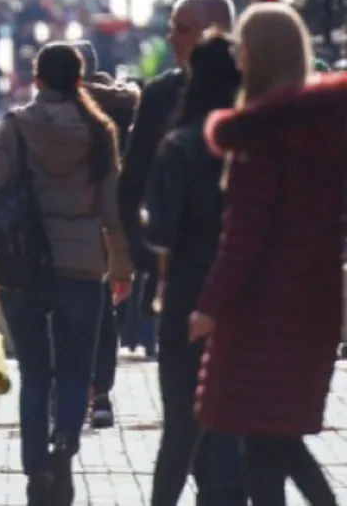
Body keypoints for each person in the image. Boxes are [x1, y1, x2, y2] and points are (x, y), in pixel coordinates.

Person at [190, 3, 344, 506]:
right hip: (313, 304)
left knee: (262, 441)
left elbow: (245, 235)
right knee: (276, 439)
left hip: (263, 310)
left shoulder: (261, 136)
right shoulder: (328, 132)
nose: (238, 60)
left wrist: (208, 306)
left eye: (243, 49)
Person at [0, 42, 134, 506]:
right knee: (73, 367)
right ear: (79, 80)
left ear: (37, 79)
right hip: (82, 262)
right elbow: (112, 208)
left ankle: (34, 468)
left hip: (23, 262)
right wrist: (121, 267)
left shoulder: (16, 127)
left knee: (34, 372)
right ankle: (65, 439)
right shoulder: (98, 129)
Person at [142, 33, 246, 506]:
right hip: (245, 293)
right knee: (235, 422)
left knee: (181, 428)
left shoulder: (179, 144)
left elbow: (160, 232)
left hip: (188, 294)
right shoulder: (253, 140)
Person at [118, 0, 233, 317]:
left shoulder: (250, 93)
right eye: (172, 28)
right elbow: (133, 182)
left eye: (182, 30)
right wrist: (150, 255)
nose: (171, 39)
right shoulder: (159, 95)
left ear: (216, 32)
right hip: (181, 271)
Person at [71, 40, 141, 431]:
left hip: (69, 223)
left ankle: (70, 392)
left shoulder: (63, 109)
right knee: (104, 313)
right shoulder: (126, 106)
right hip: (115, 220)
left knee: (66, 311)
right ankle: (101, 395)